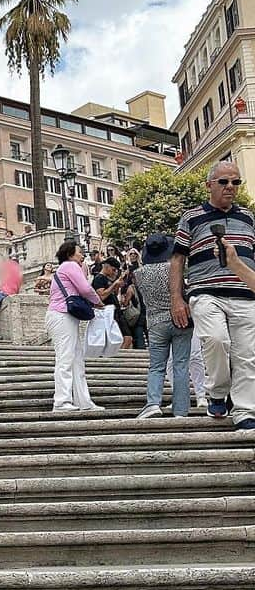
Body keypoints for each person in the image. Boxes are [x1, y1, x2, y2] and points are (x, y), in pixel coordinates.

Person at [171, 159, 255, 428]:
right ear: (209, 185)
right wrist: (176, 299)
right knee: (216, 340)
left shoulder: (248, 218)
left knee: (246, 355)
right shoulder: (192, 217)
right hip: (206, 292)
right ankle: (218, 392)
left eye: (235, 182)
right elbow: (177, 261)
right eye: (224, 181)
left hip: (245, 294)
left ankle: (244, 411)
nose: (230, 187)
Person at [133, 233, 192, 421]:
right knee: (181, 364)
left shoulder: (138, 274)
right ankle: (181, 410)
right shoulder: (174, 267)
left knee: (157, 366)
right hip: (180, 318)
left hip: (155, 322)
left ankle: (153, 403)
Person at [46, 239, 106, 413]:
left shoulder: (65, 269)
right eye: (80, 252)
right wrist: (98, 302)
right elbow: (85, 289)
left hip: (63, 316)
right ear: (70, 253)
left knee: (76, 359)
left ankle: (83, 401)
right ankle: (61, 401)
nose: (83, 255)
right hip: (62, 315)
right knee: (66, 358)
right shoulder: (70, 266)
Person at [92, 258, 133, 350]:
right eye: (113, 269)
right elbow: (101, 296)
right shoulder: (99, 279)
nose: (114, 272)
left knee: (126, 337)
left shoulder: (106, 278)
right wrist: (115, 284)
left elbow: (111, 293)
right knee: (126, 337)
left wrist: (117, 284)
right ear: (106, 266)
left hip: (115, 311)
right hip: (108, 312)